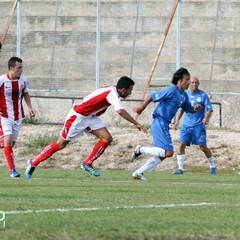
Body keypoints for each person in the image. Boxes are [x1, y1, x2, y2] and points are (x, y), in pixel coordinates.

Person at [25, 76, 148, 179]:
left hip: (90, 117)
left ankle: (87, 163)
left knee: (107, 138)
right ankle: (33, 162)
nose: (130, 93)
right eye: (129, 90)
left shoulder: (110, 89)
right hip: (77, 117)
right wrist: (136, 123)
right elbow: (120, 111)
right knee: (60, 144)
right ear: (122, 89)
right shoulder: (113, 94)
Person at [131, 67, 202, 180]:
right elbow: (152, 96)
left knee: (162, 155)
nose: (189, 82)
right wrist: (141, 108)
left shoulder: (184, 95)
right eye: (187, 79)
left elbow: (189, 110)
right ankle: (140, 149)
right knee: (168, 152)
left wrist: (196, 109)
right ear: (180, 80)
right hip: (159, 122)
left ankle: (138, 173)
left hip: (164, 124)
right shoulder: (171, 91)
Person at [0, 56, 35, 178]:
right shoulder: (2, 80)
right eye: (19, 67)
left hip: (18, 116)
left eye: (22, 67)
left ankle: (4, 145)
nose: (21, 70)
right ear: (11, 68)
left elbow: (26, 93)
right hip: (4, 116)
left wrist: (30, 107)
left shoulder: (24, 80)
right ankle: (12, 171)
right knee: (8, 140)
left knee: (10, 144)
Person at [174, 76, 216, 175]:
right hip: (186, 126)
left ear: (198, 84)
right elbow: (181, 109)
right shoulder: (185, 95)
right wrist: (176, 121)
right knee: (181, 144)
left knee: (202, 147)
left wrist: (206, 118)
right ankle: (180, 168)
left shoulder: (203, 95)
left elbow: (209, 109)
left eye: (196, 83)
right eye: (192, 82)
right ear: (189, 83)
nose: (194, 84)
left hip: (198, 126)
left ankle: (213, 166)